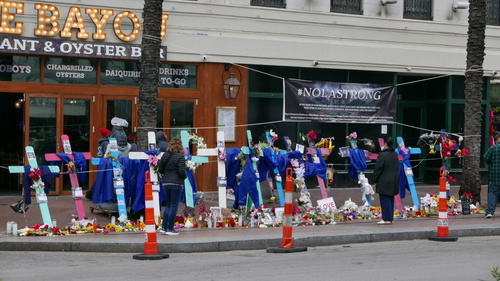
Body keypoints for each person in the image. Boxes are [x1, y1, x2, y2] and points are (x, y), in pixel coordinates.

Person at [158, 137, 186, 235]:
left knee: (168, 205)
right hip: (176, 183)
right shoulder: (180, 156)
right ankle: (170, 229)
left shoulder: (165, 155)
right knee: (174, 206)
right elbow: (181, 171)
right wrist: (185, 177)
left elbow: (160, 169)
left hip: (165, 182)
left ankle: (164, 227)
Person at [372, 136, 400, 225]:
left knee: (385, 199)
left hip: (385, 178)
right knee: (391, 198)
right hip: (394, 178)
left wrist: (374, 181)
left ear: (385, 144)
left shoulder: (383, 155)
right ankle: (389, 217)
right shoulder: (395, 154)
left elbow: (378, 169)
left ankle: (386, 219)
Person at [484, 131, 500, 218]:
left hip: (495, 175)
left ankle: (490, 211)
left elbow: (486, 158)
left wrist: (491, 162)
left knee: (493, 193)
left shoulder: (493, 148)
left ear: (498, 138)